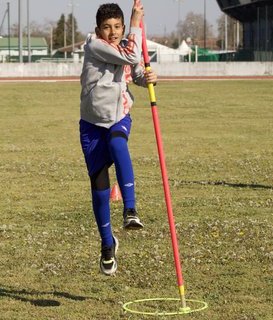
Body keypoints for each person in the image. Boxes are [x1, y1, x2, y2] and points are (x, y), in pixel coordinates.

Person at [79, 0, 157, 276]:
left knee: (118, 143)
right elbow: (128, 56)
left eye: (117, 27)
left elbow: (133, 70)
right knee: (99, 187)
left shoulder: (127, 46)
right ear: (98, 30)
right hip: (91, 125)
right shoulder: (94, 45)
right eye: (107, 27)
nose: (112, 31)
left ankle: (130, 210)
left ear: (122, 27)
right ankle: (107, 243)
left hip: (118, 116)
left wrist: (146, 78)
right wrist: (136, 23)